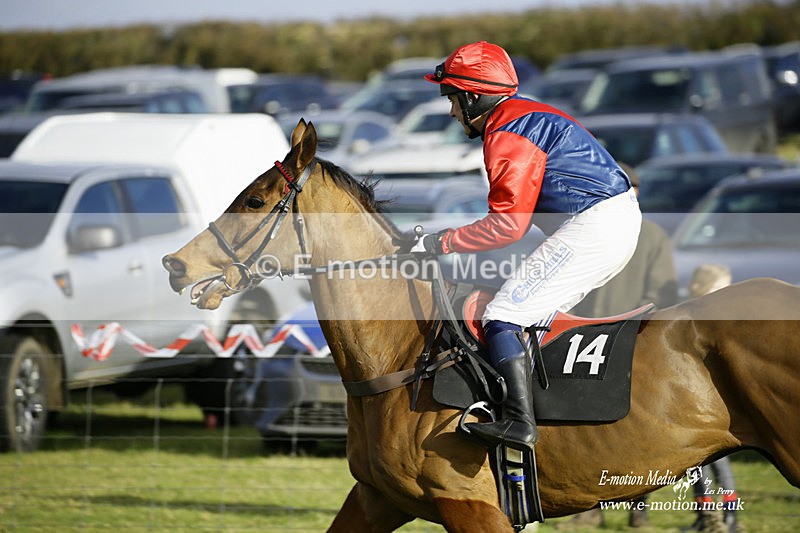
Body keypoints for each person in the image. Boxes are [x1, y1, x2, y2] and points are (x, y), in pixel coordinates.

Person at [413, 41, 642, 451]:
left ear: (471, 96)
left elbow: (507, 227)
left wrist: (439, 242)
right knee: (529, 314)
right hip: (609, 221)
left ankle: (520, 423)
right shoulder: (524, 114)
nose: (450, 112)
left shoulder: (505, 133)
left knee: (503, 314)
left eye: (451, 99)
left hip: (596, 225)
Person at [565, 163, 678, 528]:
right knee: (584, 423)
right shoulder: (588, 229)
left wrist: (633, 320)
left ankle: (637, 508)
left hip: (631, 337)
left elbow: (662, 290)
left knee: (631, 426)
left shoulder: (654, 235)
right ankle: (589, 506)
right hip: (585, 335)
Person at [685, 263, 740, 533]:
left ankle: (730, 516)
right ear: (698, 288)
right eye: (720, 288)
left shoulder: (723, 319)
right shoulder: (692, 317)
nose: (726, 294)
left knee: (719, 464)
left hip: (717, 406)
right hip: (697, 403)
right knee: (697, 467)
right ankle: (706, 516)